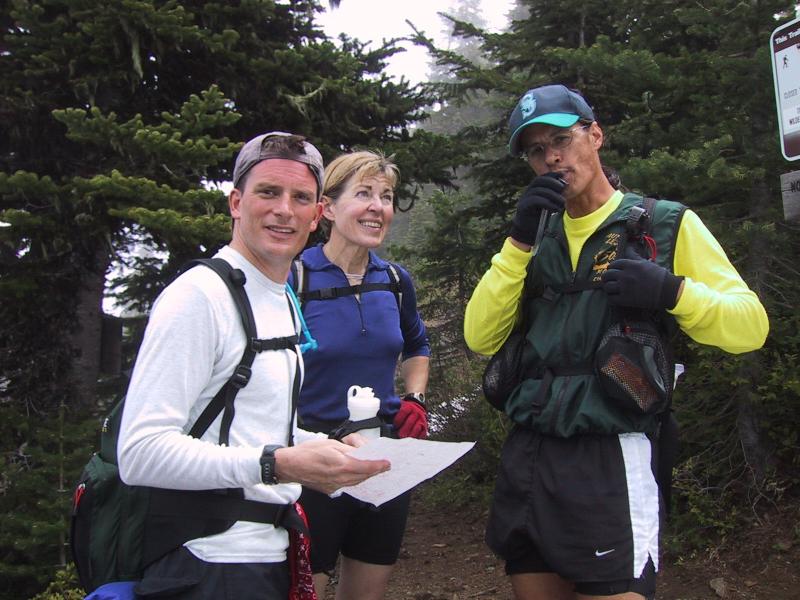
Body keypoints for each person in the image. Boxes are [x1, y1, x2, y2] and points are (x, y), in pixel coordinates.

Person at [464, 84, 769, 600]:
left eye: (562, 138)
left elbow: (750, 326)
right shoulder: (533, 237)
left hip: (612, 454)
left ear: (596, 135)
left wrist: (672, 291)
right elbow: (480, 335)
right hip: (531, 454)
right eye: (535, 150)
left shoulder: (663, 224)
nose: (551, 156)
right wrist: (517, 242)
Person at [117, 132, 390, 599]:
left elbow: (254, 425)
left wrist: (327, 448)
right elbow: (140, 453)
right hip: (207, 564)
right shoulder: (199, 297)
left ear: (316, 214)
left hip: (268, 553)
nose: (285, 209)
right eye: (268, 192)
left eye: (300, 197)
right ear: (236, 203)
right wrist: (278, 463)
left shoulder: (279, 294)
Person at [290, 151, 431, 600]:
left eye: (386, 197)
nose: (378, 206)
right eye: (364, 194)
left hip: (382, 459)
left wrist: (415, 399)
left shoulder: (394, 280)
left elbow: (417, 346)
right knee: (305, 589)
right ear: (327, 208)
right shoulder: (296, 277)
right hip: (311, 461)